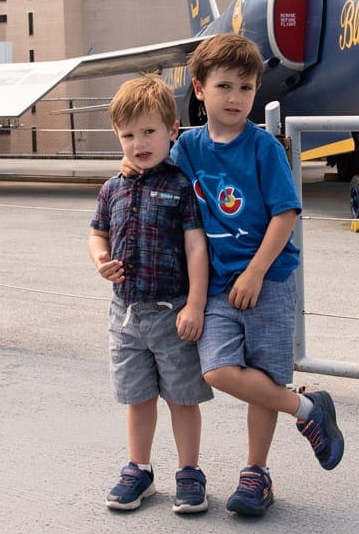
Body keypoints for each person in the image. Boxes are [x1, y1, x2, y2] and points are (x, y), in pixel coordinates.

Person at [122, 34, 344, 518]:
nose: (236, 97)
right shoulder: (190, 148)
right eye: (224, 86)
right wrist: (128, 162)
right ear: (199, 89)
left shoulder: (263, 148)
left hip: (269, 281)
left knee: (263, 376)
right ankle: (307, 410)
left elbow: (286, 214)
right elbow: (154, 167)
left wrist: (256, 273)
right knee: (219, 370)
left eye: (246, 87)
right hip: (218, 286)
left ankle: (256, 474)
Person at [88, 75, 213, 514]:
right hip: (125, 314)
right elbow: (96, 234)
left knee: (182, 396)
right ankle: (138, 468)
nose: (138, 143)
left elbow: (197, 247)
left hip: (172, 311)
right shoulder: (113, 187)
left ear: (171, 131)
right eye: (128, 135)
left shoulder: (181, 186)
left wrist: (195, 303)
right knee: (137, 397)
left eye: (148, 132)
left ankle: (189, 471)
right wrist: (100, 259)